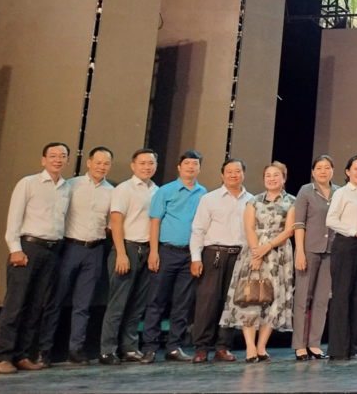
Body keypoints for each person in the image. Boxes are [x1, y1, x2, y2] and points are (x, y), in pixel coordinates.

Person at [0, 143, 72, 374]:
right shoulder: (28, 183)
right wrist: (15, 248)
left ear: (67, 160)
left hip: (51, 251)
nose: (58, 159)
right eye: (53, 156)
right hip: (27, 248)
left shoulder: (66, 188)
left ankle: (22, 355)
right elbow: (14, 219)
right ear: (43, 160)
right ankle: (2, 357)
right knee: (15, 305)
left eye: (62, 156)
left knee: (36, 307)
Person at [38, 146, 114, 365]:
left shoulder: (112, 191)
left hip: (95, 250)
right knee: (55, 301)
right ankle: (44, 350)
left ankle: (76, 349)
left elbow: (111, 224)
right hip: (69, 248)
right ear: (89, 163)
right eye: (98, 162)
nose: (101, 166)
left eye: (106, 163)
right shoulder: (71, 185)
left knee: (84, 304)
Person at [220, 162, 296, 363]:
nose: (272, 179)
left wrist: (268, 246)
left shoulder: (292, 201)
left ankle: (261, 346)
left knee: (273, 300)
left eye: (276, 175)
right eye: (268, 175)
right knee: (250, 298)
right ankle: (250, 347)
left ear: (283, 178)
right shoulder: (253, 201)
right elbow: (249, 228)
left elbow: (289, 230)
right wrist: (256, 253)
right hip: (254, 253)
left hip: (278, 255)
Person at [141, 149, 206, 363]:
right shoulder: (165, 191)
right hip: (166, 252)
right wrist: (153, 252)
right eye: (187, 163)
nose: (191, 167)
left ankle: (174, 347)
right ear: (179, 167)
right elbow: (155, 222)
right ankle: (150, 347)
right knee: (156, 301)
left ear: (199, 168)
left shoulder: (203, 193)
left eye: (195, 164)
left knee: (182, 303)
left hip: (190, 254)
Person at [188, 159, 252, 363]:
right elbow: (198, 230)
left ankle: (223, 347)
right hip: (213, 255)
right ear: (222, 175)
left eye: (237, 171)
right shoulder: (210, 199)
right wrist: (196, 258)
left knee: (231, 303)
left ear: (243, 174)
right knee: (207, 303)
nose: (233, 175)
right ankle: (201, 348)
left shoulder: (252, 200)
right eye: (229, 171)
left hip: (240, 256)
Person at [99, 149, 159, 365]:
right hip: (127, 249)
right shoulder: (124, 189)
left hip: (147, 250)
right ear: (133, 166)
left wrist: (153, 251)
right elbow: (115, 222)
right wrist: (121, 253)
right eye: (142, 163)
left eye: (150, 163)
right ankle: (107, 350)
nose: (147, 167)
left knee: (137, 305)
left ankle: (129, 347)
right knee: (118, 303)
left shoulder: (157, 191)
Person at [325, 155, 357, 361]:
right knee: (341, 296)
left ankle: (351, 347)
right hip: (344, 245)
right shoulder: (341, 193)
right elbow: (331, 219)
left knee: (356, 297)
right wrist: (355, 231)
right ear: (347, 171)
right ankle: (338, 348)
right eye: (356, 168)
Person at [292, 155, 336, 361]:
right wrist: (299, 252)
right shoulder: (306, 191)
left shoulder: (339, 192)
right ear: (313, 171)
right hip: (308, 250)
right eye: (319, 168)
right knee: (303, 298)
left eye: (327, 168)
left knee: (321, 300)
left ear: (333, 171)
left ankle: (314, 344)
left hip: (331, 251)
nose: (323, 171)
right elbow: (299, 223)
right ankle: (300, 345)